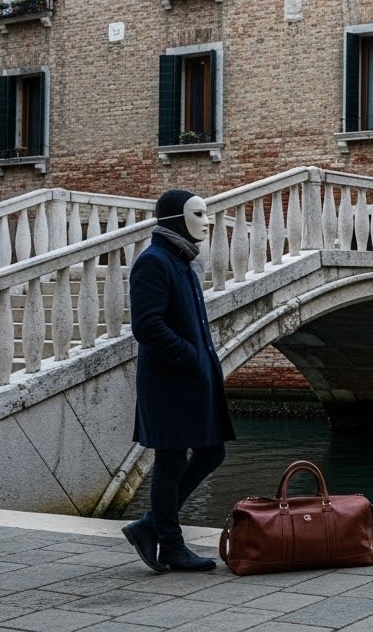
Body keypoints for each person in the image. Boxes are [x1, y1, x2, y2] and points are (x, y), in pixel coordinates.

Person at [122, 189, 235, 573]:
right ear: (176, 218)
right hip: (170, 380)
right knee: (170, 459)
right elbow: (147, 325)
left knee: (211, 450)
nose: (208, 221)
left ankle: (151, 526)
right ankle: (169, 543)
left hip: (191, 378)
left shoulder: (181, 260)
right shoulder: (154, 262)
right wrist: (190, 357)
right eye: (199, 213)